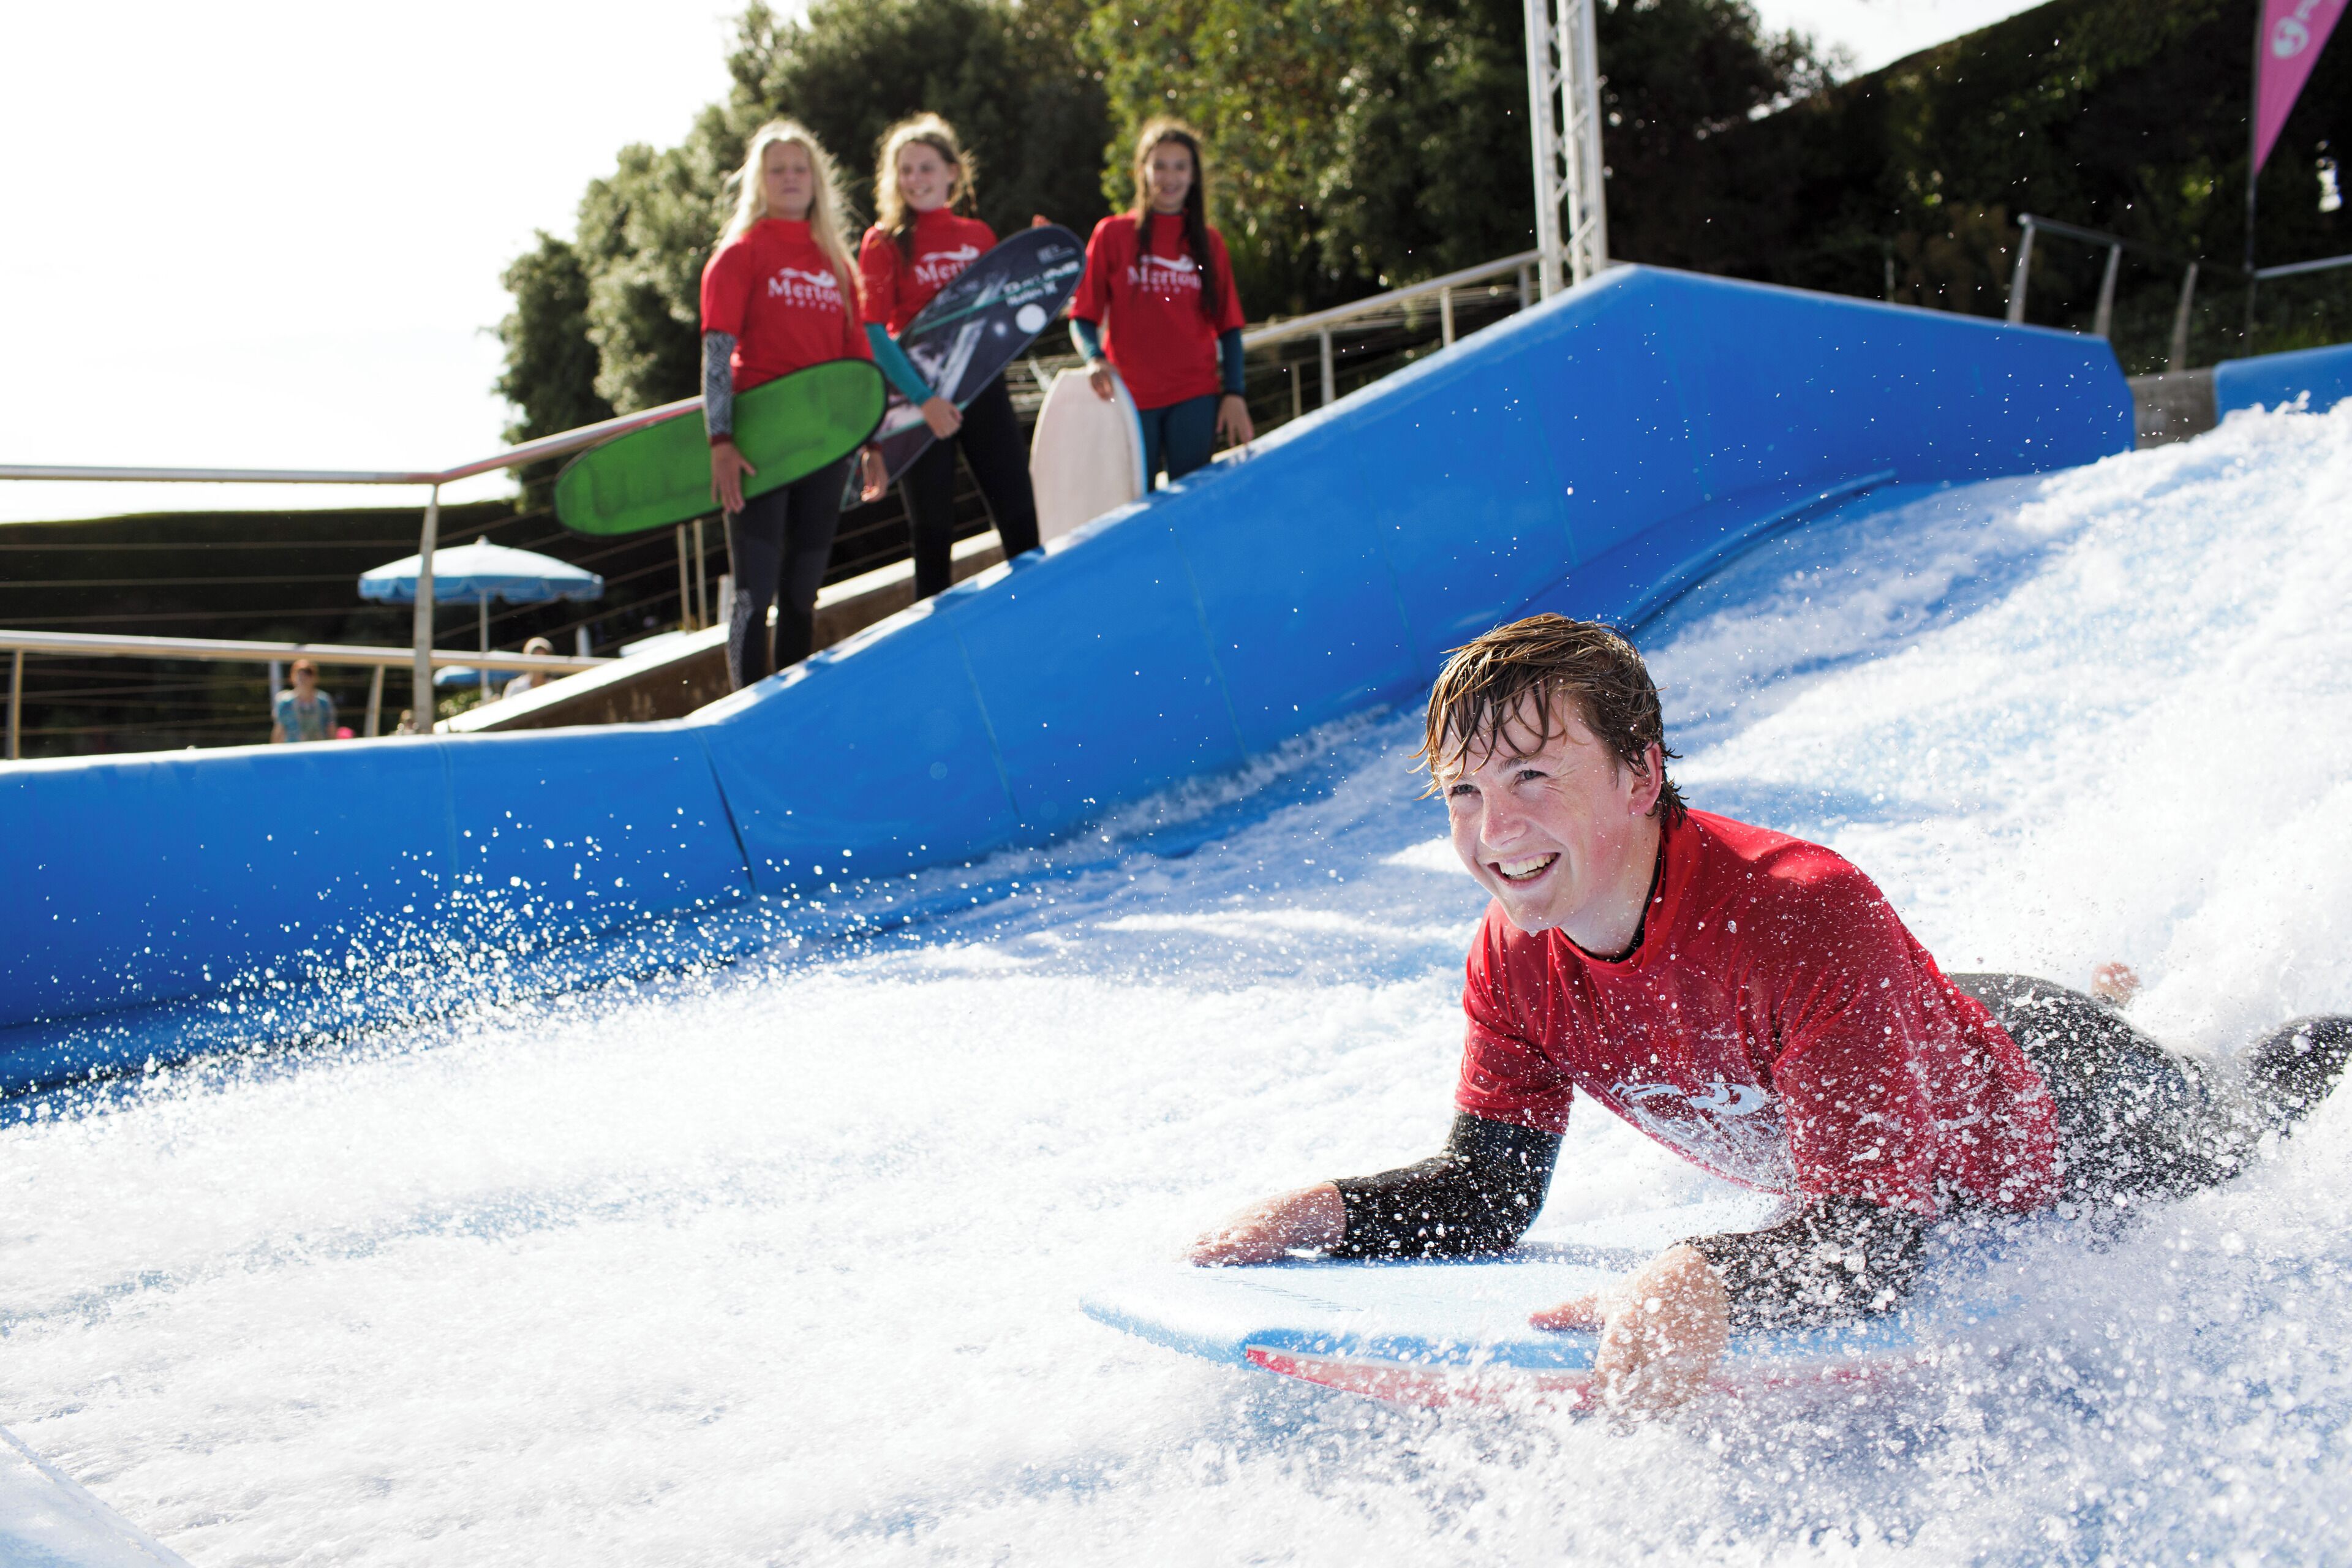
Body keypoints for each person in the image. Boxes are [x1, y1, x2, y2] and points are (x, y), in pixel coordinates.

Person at [1193, 613, 2352, 1414]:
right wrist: (1321, 1213)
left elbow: (1875, 1243)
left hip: (2072, 1110)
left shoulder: (1801, 910)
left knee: (2251, 1107)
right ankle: (2115, 993)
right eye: (1464, 791)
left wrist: (1696, 1276)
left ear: (1641, 774)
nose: (1494, 832)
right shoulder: (1514, 960)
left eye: (1533, 776)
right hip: (1915, 1025)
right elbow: (1489, 1191)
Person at [703, 119, 886, 690]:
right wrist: (721, 441)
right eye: (777, 169)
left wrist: (872, 440)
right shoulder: (740, 254)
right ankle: (745, 710)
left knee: (802, 593)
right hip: (758, 444)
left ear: (816, 180)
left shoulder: (838, 264)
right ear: (758, 182)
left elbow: (859, 365)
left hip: (824, 445)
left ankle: (791, 707)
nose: (790, 178)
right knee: (754, 593)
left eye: (799, 168)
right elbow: (716, 353)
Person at [859, 115, 1041, 601]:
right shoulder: (883, 242)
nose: (915, 179)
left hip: (984, 390)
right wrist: (925, 399)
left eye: (926, 168)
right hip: (919, 405)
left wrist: (1036, 262)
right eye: (906, 170)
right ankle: (938, 641)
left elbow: (1005, 318)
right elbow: (872, 333)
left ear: (952, 173)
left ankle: (1040, 619)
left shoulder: (978, 235)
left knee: (1020, 519)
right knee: (932, 539)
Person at [1068, 119, 1252, 488]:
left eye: (1180, 167)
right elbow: (1082, 316)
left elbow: (1229, 326)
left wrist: (1235, 393)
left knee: (1192, 501)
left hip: (1195, 394)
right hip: (1130, 398)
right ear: (1142, 171)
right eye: (1160, 166)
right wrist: (1094, 358)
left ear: (1194, 175)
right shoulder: (1112, 234)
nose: (1170, 178)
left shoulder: (1209, 243)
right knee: (1136, 501)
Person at [270, 658, 336, 743]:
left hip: (319, 748)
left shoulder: (324, 701)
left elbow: (331, 728)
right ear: (292, 677)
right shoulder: (285, 703)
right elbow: (279, 731)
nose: (303, 677)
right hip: (294, 749)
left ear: (315, 678)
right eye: (299, 673)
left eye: (308, 673)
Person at [502, 636, 556, 701]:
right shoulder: (515, 687)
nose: (538, 664)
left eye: (542, 659)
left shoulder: (555, 687)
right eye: (535, 659)